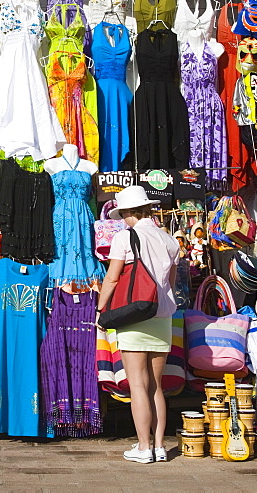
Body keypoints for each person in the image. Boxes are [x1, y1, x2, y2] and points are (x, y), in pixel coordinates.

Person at [97, 185, 180, 463]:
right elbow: (172, 283)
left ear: (129, 213)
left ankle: (143, 447)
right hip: (162, 316)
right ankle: (159, 447)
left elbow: (112, 278)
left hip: (134, 316)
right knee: (156, 385)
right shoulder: (170, 240)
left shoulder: (125, 238)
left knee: (138, 386)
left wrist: (101, 309)